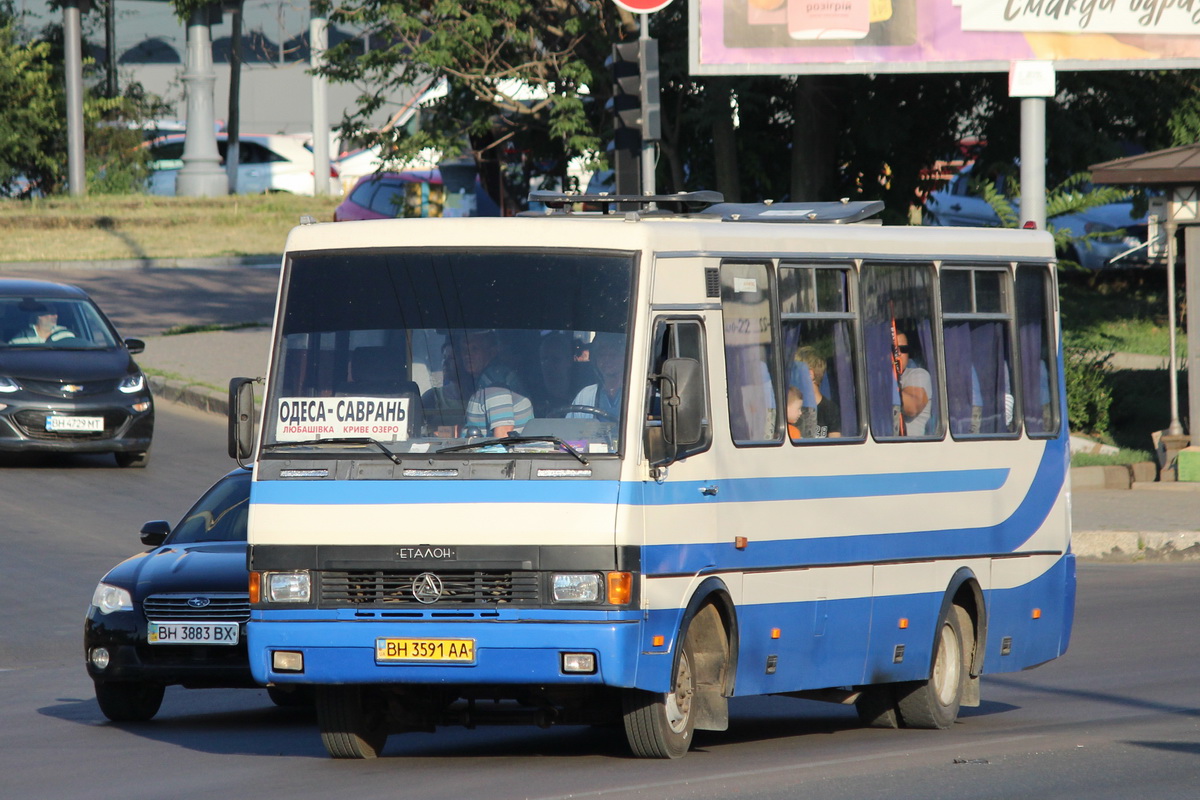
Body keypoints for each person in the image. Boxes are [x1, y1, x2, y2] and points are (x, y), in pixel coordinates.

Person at [569, 332, 624, 419]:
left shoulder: (637, 392)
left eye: (613, 354)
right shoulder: (585, 395)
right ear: (595, 359)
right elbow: (571, 429)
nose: (607, 359)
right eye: (602, 354)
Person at [790, 347, 841, 438]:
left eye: (796, 372)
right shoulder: (792, 408)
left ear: (810, 375)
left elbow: (835, 444)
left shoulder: (830, 410)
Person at [895, 331, 932, 436]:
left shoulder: (919, 375)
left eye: (904, 350)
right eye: (894, 350)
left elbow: (912, 407)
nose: (899, 354)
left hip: (913, 448)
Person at [9, 300, 74, 344]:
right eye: (52, 313)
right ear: (40, 316)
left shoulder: (65, 334)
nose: (56, 316)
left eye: (56, 313)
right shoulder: (22, 337)